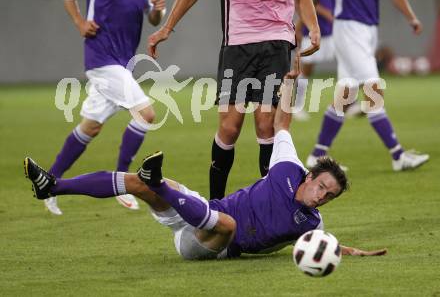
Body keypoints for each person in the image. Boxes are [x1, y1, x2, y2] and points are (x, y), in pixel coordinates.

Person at [24, 55, 386, 260]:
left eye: (329, 196)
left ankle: (161, 186)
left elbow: (327, 245)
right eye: (322, 186)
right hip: (197, 210)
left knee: (227, 225)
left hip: (209, 246)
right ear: (309, 177)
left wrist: (358, 253)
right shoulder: (289, 167)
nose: (322, 195)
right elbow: (283, 122)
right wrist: (289, 80)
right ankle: (53, 186)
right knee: (138, 183)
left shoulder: (310, 223)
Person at [147, 0, 320, 200]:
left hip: (277, 44)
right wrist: (168, 27)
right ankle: (215, 205)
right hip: (237, 46)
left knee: (267, 125)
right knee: (229, 127)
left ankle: (271, 204)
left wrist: (314, 28)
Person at [45, 0, 166, 215]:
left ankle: (48, 184)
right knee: (147, 114)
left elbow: (153, 17)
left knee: (91, 127)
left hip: (123, 62)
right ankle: (123, 180)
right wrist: (80, 23)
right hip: (101, 59)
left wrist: (156, 11)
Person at [306, 0, 429, 171]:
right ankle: (398, 155)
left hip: (369, 31)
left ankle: (316, 156)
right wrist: (306, 26)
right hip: (347, 28)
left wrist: (411, 17)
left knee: (345, 95)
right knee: (374, 89)